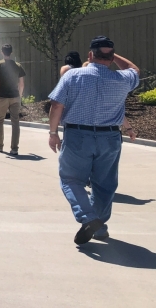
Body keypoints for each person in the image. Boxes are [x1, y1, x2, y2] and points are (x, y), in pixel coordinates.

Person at [47, 36, 139, 244]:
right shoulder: (123, 79)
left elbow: (57, 105)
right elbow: (135, 70)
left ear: (90, 55)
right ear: (111, 57)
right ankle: (99, 226)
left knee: (71, 179)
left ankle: (89, 218)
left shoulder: (72, 76)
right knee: (105, 185)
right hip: (110, 137)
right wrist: (113, 57)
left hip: (78, 135)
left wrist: (53, 133)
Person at [0, 44, 26, 155]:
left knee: (0, 120)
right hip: (15, 96)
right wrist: (19, 96)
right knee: (15, 122)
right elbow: (21, 84)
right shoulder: (18, 66)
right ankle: (14, 148)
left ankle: (0, 146)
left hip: (2, 96)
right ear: (11, 52)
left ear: (2, 52)